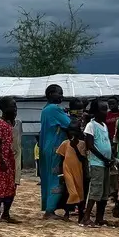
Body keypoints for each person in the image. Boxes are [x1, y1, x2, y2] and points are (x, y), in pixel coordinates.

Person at [39, 84, 72, 218]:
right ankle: (50, 209)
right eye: (59, 93)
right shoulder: (54, 109)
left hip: (47, 146)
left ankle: (49, 206)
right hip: (56, 148)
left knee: (48, 177)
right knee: (56, 178)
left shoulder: (45, 109)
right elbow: (69, 124)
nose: (62, 96)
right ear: (51, 94)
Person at [82, 99, 114, 227]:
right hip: (97, 163)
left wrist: (110, 158)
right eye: (102, 109)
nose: (105, 112)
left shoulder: (104, 125)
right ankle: (86, 217)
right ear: (95, 111)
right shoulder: (91, 125)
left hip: (106, 163)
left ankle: (100, 218)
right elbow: (90, 145)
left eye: (106, 109)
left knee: (104, 192)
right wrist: (104, 158)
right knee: (95, 190)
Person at [56, 122, 86, 222]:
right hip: (67, 171)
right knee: (72, 192)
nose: (72, 133)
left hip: (78, 172)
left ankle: (81, 215)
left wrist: (75, 148)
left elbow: (82, 159)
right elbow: (61, 159)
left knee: (80, 193)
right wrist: (60, 173)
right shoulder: (65, 143)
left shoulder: (82, 144)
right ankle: (67, 213)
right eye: (70, 131)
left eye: (74, 131)